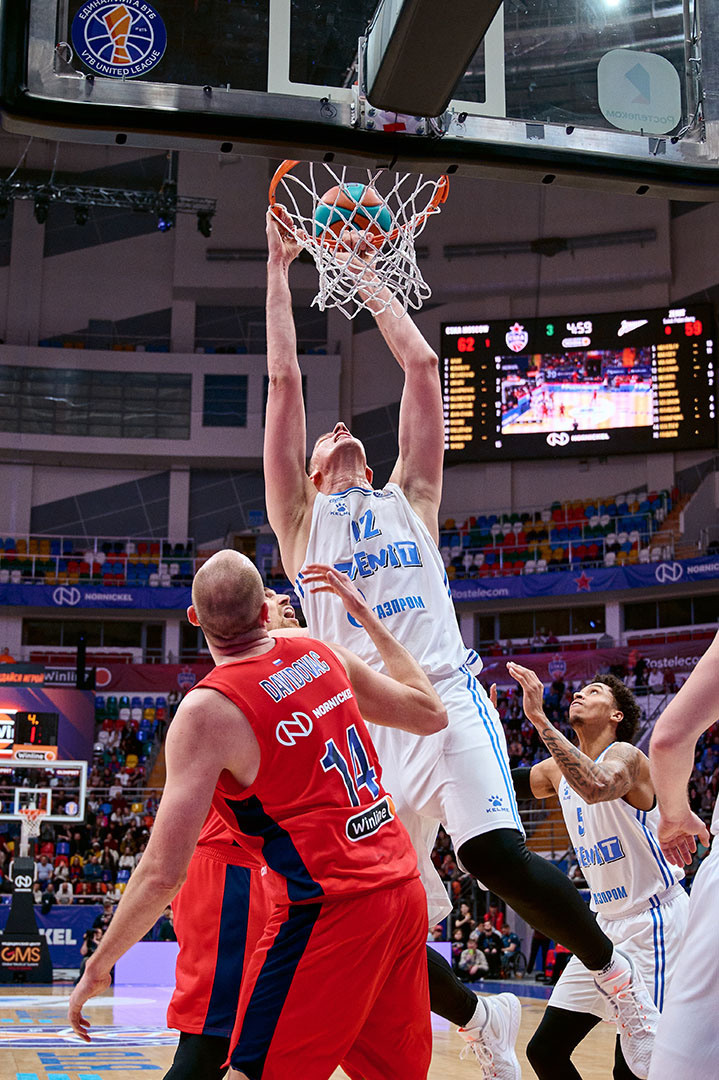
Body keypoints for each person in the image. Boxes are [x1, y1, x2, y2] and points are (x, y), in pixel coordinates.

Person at [263, 206, 659, 1075]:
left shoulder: (413, 496)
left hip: (441, 698)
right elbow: (285, 382)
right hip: (358, 729)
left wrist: (365, 273)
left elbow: (421, 364)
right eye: (326, 435)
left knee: (491, 855)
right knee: (371, 919)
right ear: (310, 468)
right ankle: (482, 1017)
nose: (337, 430)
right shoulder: (298, 520)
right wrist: (279, 267)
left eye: (345, 432)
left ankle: (614, 975)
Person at [68, 550, 449, 1080]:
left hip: (325, 903)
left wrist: (100, 962)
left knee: (251, 1068)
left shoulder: (207, 711)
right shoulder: (319, 653)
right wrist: (368, 619)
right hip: (401, 885)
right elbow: (429, 712)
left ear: (195, 619)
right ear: (266, 612)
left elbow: (162, 872)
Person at [508, 664, 684, 1080]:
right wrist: (482, 744)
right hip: (603, 930)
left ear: (616, 715)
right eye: (580, 690)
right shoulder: (555, 771)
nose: (580, 694)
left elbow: (597, 785)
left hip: (651, 924)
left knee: (636, 1069)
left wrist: (538, 719)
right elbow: (500, 784)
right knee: (545, 1051)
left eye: (594, 691)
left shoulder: (628, 757)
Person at [164, 587, 299, 1080]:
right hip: (227, 874)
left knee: (254, 1043)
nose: (287, 602)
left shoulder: (299, 676)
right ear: (257, 618)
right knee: (209, 1043)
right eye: (275, 600)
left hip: (258, 875)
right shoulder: (241, 686)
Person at [647, 631, 717, 1079]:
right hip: (606, 914)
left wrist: (673, 815)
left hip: (647, 915)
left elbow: (668, 739)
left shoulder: (625, 763)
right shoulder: (557, 768)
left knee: (682, 1061)